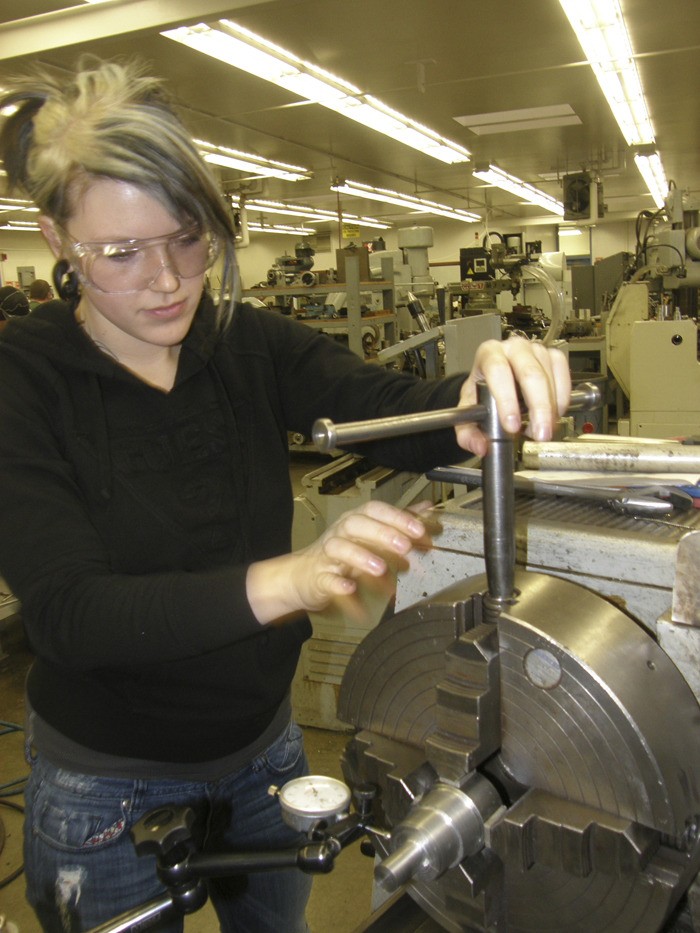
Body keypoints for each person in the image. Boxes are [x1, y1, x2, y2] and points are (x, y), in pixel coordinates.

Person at [0, 58, 570, 933]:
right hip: (107, 783)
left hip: (264, 754)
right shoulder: (23, 381)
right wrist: (296, 580)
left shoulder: (241, 342)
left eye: (189, 237)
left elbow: (390, 409)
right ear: (55, 241)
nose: (167, 280)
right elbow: (72, 613)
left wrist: (489, 386)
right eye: (120, 253)